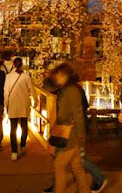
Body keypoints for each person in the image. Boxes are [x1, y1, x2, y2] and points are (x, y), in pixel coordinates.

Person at [50, 62, 91, 193]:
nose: (57, 78)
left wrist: (80, 135)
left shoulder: (71, 90)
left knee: (59, 165)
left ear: (66, 75)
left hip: (70, 134)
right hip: (68, 132)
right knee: (76, 166)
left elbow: (78, 114)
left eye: (60, 75)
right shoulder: (64, 90)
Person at [4, 57, 35, 160]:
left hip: (13, 103)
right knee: (24, 126)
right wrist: (36, 100)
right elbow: (32, 89)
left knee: (13, 128)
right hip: (24, 103)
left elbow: (6, 91)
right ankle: (22, 145)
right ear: (21, 64)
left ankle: (14, 152)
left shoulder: (8, 76)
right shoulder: (26, 76)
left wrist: (6, 103)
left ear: (13, 64)